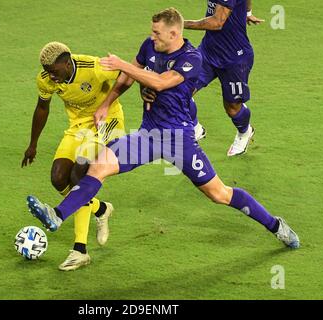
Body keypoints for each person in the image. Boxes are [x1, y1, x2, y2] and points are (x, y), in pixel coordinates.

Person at [26, 8, 300, 257]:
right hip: (148, 135)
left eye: (156, 32)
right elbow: (129, 78)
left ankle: (276, 225)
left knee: (219, 194)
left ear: (173, 33)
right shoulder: (149, 47)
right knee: (98, 166)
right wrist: (105, 104)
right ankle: (57, 215)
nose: (151, 36)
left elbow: (160, 81)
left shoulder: (192, 57)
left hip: (179, 140)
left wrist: (123, 65)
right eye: (151, 31)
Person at [21, 42, 126, 270]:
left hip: (107, 123)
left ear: (68, 64)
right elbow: (42, 107)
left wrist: (107, 104)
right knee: (58, 177)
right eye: (48, 71)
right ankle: (99, 208)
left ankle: (80, 250)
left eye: (55, 72)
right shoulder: (46, 78)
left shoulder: (94, 67)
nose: (51, 76)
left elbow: (128, 73)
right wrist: (33, 144)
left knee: (79, 175)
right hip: (78, 126)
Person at [183, 0, 264, 156]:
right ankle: (195, 129)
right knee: (181, 89)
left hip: (234, 59)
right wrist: (247, 12)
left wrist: (179, 24)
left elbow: (217, 22)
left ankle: (244, 132)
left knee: (232, 108)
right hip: (208, 52)